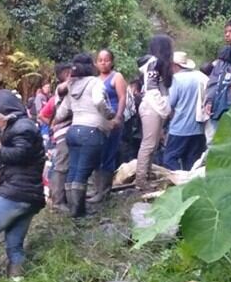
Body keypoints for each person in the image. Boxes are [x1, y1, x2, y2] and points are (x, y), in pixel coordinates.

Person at [0, 90, 46, 281]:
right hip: (29, 195)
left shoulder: (23, 128)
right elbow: (3, 163)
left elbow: (18, 155)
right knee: (14, 244)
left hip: (16, 192)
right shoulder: (21, 127)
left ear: (5, 112)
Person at [55, 53, 113, 217]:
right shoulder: (95, 82)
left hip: (73, 132)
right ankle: (78, 213)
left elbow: (60, 113)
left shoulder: (71, 86)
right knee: (82, 174)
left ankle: (72, 209)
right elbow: (99, 101)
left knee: (73, 171)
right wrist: (109, 114)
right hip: (92, 131)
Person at [88, 49, 128, 204]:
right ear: (96, 63)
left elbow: (122, 97)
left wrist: (118, 117)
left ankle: (104, 191)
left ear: (112, 61)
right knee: (98, 154)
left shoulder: (116, 77)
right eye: (100, 60)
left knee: (108, 154)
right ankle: (97, 188)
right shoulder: (95, 80)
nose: (103, 63)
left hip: (113, 122)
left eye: (106, 60)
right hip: (99, 123)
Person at [135, 36, 175, 191]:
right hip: (153, 106)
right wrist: (164, 108)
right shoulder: (154, 63)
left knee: (153, 144)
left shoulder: (152, 63)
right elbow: (153, 89)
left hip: (152, 106)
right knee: (148, 144)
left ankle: (146, 175)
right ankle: (141, 180)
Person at [163, 52, 208, 171]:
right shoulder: (200, 77)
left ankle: (180, 182)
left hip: (179, 128)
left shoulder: (176, 80)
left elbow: (169, 104)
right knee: (192, 161)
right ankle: (190, 184)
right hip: (198, 128)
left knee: (169, 159)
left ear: (174, 65)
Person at [38, 63, 72, 212]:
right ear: (65, 74)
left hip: (64, 134)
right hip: (62, 135)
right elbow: (41, 114)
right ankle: (57, 201)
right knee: (60, 165)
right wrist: (53, 124)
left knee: (61, 165)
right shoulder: (58, 96)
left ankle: (59, 198)